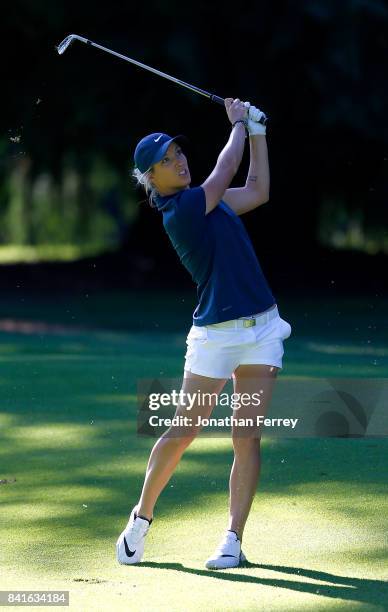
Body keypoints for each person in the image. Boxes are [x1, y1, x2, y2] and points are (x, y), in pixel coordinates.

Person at [116, 98, 292, 569]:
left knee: (246, 434)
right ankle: (141, 519)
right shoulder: (183, 210)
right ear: (152, 179)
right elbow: (226, 167)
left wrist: (258, 131)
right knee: (184, 429)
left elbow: (256, 189)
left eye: (178, 153)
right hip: (214, 336)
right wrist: (238, 125)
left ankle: (233, 539)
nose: (179, 161)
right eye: (167, 161)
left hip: (262, 330)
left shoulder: (210, 202)